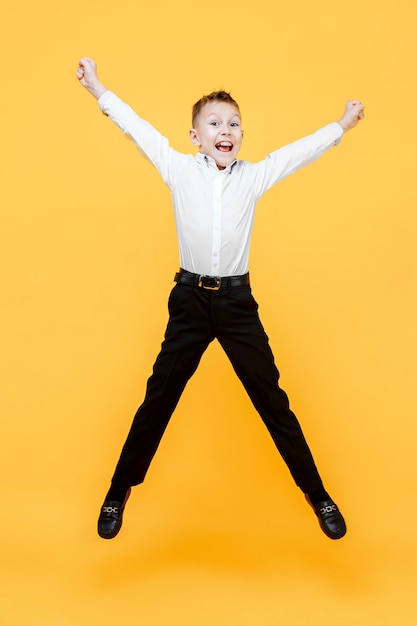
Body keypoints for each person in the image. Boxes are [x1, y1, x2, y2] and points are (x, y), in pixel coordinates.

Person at [76, 57, 364, 541]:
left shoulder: (253, 177)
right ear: (195, 136)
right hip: (189, 301)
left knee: (273, 401)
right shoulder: (177, 167)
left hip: (236, 306)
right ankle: (117, 491)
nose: (225, 130)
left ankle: (318, 494)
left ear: (240, 136)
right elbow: (136, 127)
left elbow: (298, 152)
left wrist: (341, 125)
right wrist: (97, 87)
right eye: (214, 123)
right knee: (157, 399)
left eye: (233, 124)